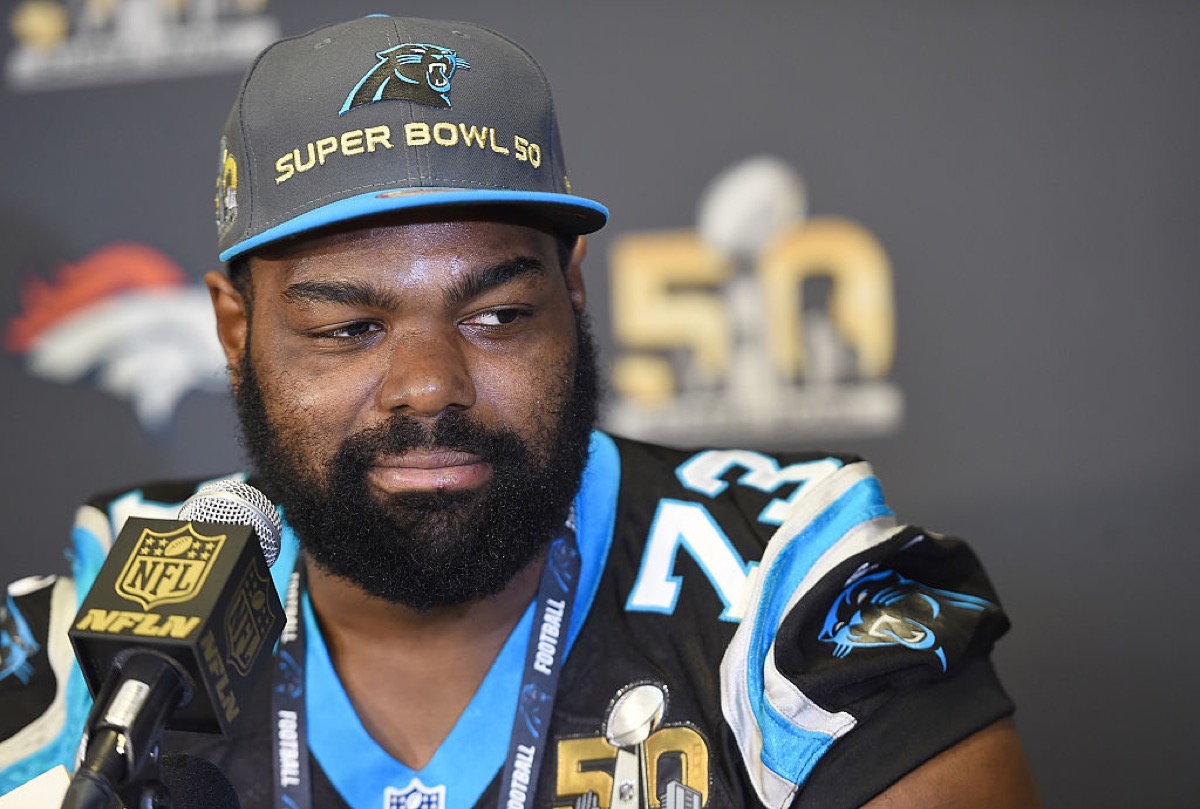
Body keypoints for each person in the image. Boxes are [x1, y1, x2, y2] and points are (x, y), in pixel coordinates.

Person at [0, 14, 1041, 808]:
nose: (429, 384)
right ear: (235, 329)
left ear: (573, 293)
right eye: (349, 328)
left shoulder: (788, 586)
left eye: (497, 313)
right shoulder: (109, 617)